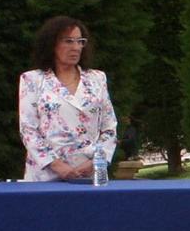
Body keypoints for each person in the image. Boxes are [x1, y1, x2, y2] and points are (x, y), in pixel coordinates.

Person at [18, 16, 118, 180]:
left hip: (89, 174)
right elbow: (28, 129)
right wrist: (58, 166)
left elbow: (109, 128)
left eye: (80, 41)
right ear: (51, 44)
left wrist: (95, 161)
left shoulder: (97, 79)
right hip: (46, 176)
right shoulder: (32, 80)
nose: (76, 47)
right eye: (68, 41)